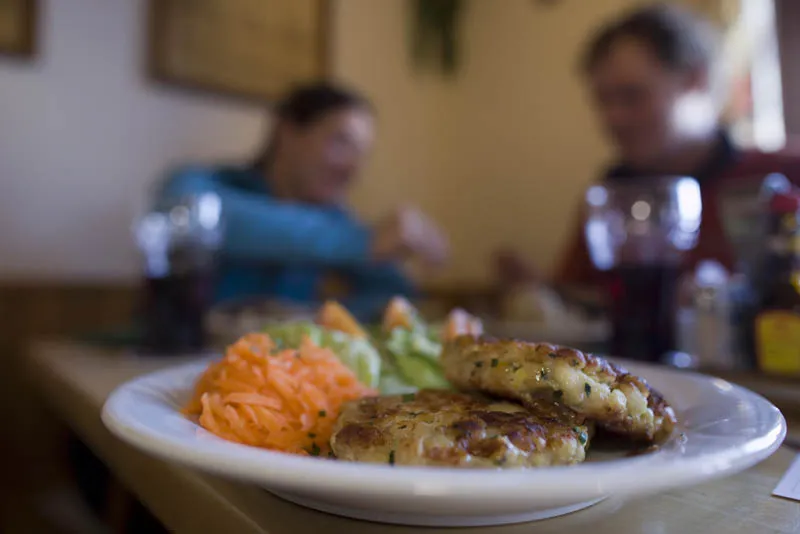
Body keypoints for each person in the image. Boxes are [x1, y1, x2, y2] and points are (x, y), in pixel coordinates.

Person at [499, 3, 800, 290]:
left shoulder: (782, 177)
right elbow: (578, 310)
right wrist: (540, 294)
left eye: (633, 96)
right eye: (603, 100)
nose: (613, 118)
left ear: (697, 81)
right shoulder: (609, 196)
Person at [155, 82, 448, 320]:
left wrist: (318, 316)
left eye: (362, 153)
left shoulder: (335, 220)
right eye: (342, 142)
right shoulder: (198, 183)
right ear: (288, 132)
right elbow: (183, 209)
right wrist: (363, 241)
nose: (353, 168)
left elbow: (398, 298)